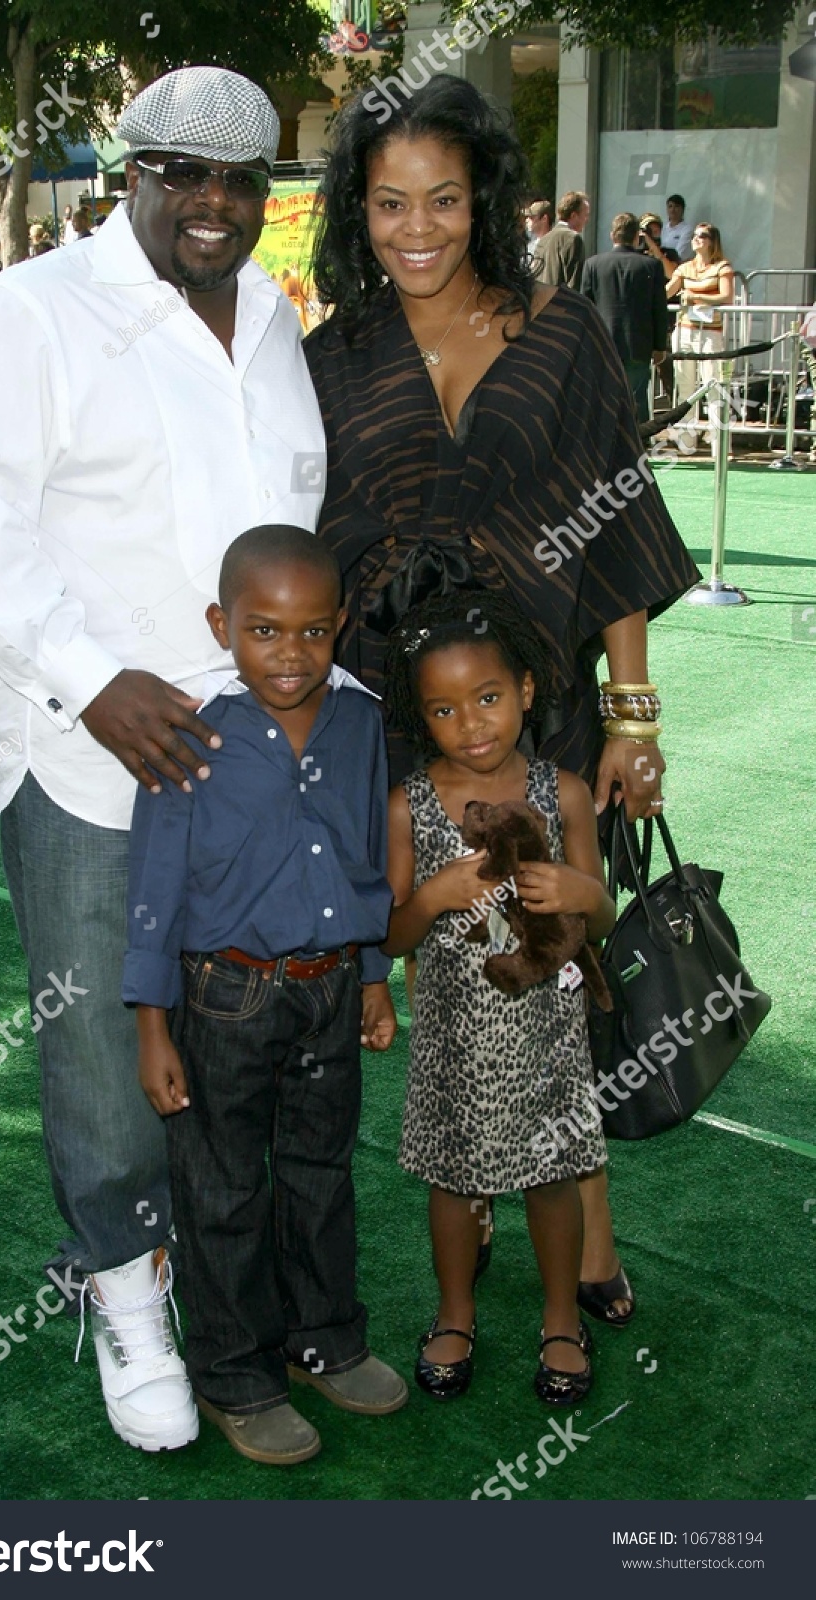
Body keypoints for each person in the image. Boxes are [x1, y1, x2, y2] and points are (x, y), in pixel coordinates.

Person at [0, 65, 325, 1454]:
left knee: (226, 1038)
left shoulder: (273, 318)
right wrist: (95, 686)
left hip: (248, 768)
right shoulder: (33, 313)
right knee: (101, 1037)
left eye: (240, 181)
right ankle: (122, 1293)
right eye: (180, 173)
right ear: (129, 173)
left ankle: (221, 1291)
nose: (213, 204)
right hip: (92, 756)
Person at [305, 74, 701, 1324]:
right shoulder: (331, 355)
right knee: (457, 970)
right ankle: (472, 1197)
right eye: (385, 203)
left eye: (440, 199)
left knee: (559, 955)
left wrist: (631, 719)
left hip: (544, 717)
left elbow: (619, 519)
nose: (413, 228)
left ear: (481, 201)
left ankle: (584, 1227)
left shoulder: (560, 331)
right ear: (353, 210)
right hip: (404, 729)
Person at [126, 524, 404, 1465]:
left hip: (328, 992)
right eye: (264, 631)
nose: (291, 655)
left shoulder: (362, 721)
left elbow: (366, 859)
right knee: (223, 1190)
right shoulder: (190, 729)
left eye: (313, 632)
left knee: (321, 1177)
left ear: (340, 627)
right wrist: (151, 1027)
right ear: (222, 625)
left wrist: (371, 980)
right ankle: (235, 1375)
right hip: (222, 1003)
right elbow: (155, 887)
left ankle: (323, 1339)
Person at [382, 588, 615, 1405]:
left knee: (553, 1177)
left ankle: (560, 1318)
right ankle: (454, 1311)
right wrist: (435, 897)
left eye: (486, 698)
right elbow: (389, 935)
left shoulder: (567, 792)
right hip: (454, 1038)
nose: (471, 723)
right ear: (421, 719)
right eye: (444, 710)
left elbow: (607, 912)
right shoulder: (407, 805)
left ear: (523, 689)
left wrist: (580, 891)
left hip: (548, 1034)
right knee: (453, 1183)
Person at [580, 211, 669, 422]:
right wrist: (660, 346)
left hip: (603, 344)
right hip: (638, 343)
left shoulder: (593, 265)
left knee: (604, 399)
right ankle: (638, 447)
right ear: (637, 237)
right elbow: (659, 309)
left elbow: (586, 308)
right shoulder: (651, 265)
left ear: (613, 236)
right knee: (637, 401)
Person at [667, 222, 735, 454]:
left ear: (712, 241)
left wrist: (695, 295)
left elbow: (726, 296)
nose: (697, 239)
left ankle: (719, 443)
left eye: (702, 236)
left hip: (710, 333)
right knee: (685, 385)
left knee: (713, 385)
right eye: (695, 235)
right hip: (685, 330)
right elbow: (668, 291)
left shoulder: (722, 267)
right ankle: (687, 441)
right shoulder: (684, 268)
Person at [531, 189, 589, 290]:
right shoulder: (573, 239)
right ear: (574, 216)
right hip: (562, 303)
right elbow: (574, 283)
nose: (586, 219)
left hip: (542, 302)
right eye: (585, 215)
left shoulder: (544, 239)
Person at [638, 212, 678, 281]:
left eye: (656, 231)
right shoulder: (636, 255)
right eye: (649, 231)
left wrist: (656, 251)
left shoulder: (670, 253)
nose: (653, 234)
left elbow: (672, 275)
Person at [661, 194, 694, 263]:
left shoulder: (687, 229)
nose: (673, 210)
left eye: (676, 206)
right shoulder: (663, 227)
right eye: (670, 206)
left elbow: (679, 255)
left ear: (683, 209)